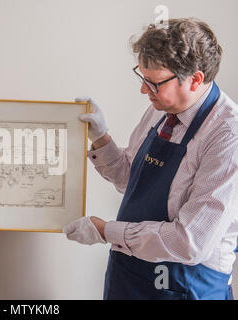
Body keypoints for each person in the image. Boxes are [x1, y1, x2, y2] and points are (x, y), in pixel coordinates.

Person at [63, 18, 237, 300]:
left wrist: (106, 231)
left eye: (154, 83)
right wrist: (101, 138)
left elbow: (189, 242)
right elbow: (131, 180)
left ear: (195, 79)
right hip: (129, 273)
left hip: (186, 285)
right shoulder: (161, 109)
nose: (144, 90)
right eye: (142, 77)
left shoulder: (228, 136)